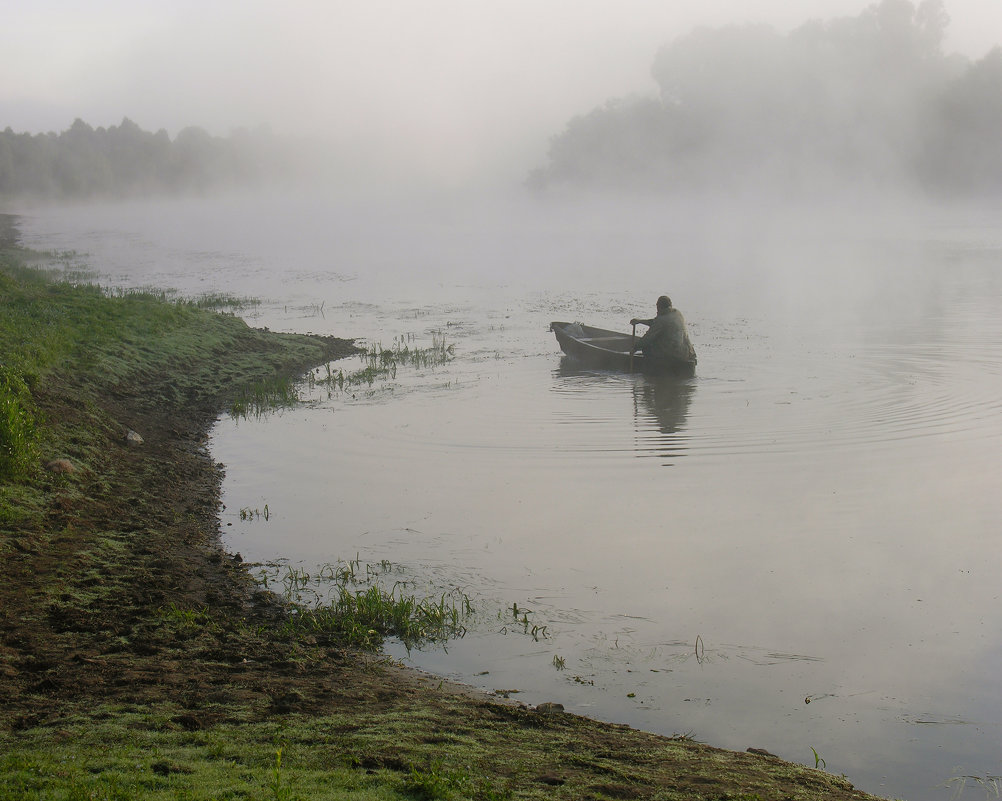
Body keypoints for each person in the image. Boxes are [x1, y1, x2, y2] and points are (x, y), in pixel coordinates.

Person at [630, 295, 696, 365]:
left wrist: (635, 348)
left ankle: (653, 370)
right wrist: (640, 321)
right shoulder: (677, 313)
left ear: (658, 307)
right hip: (686, 353)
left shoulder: (661, 320)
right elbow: (655, 322)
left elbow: (647, 338)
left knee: (647, 347)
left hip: (674, 355)